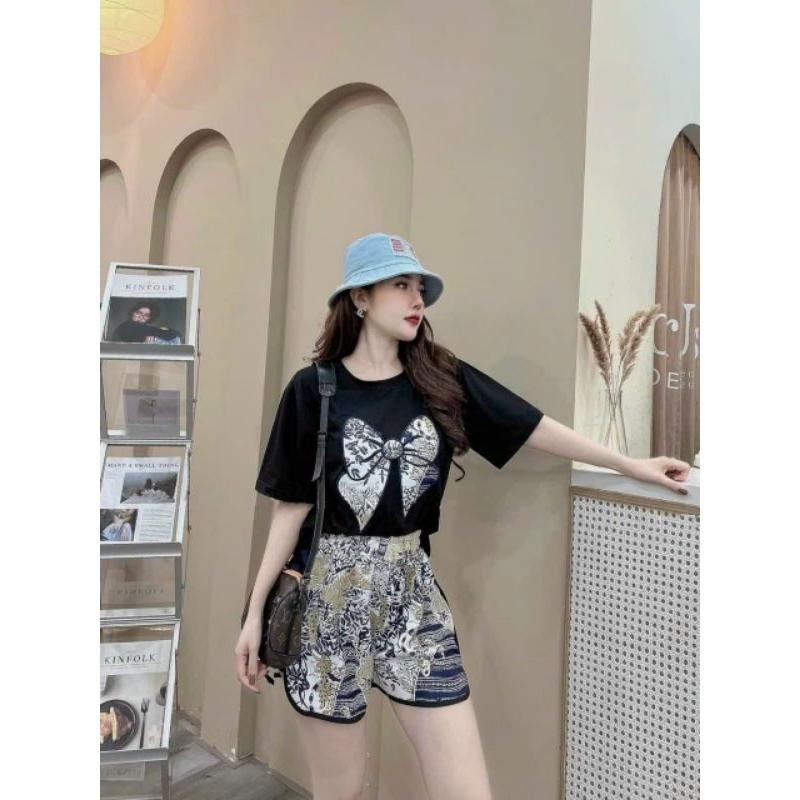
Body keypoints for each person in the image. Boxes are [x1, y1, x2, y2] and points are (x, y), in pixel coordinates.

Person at [234, 232, 690, 800]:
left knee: (467, 789)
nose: (417, 299)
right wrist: (254, 613)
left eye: (420, 288)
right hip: (328, 600)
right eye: (401, 285)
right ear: (360, 298)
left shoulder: (438, 377)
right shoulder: (314, 389)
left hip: (411, 594)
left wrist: (628, 463)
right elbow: (291, 507)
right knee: (341, 787)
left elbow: (530, 424)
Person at [110, 299, 182, 344]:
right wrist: (166, 330)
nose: (141, 316)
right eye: (139, 312)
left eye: (146, 315)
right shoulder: (124, 326)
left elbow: (173, 334)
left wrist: (166, 330)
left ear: (150, 318)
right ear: (133, 312)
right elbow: (173, 334)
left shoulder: (146, 329)